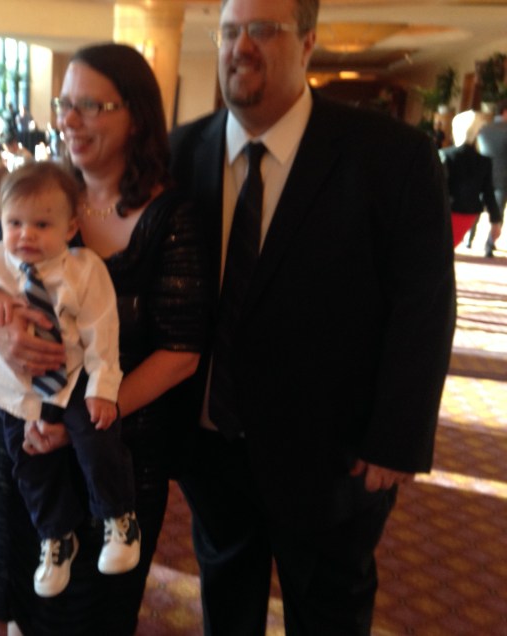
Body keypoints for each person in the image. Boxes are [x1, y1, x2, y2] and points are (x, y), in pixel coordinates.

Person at [168, 0, 457, 634]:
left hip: (332, 459)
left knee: (329, 613)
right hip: (210, 447)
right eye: (229, 31)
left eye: (262, 30)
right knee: (225, 604)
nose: (241, 46)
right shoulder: (180, 153)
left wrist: (397, 437)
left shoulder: (392, 158)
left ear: (307, 44)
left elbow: (423, 307)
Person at [0, 43, 212, 635]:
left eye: (90, 106)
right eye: (64, 105)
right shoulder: (40, 192)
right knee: (21, 590)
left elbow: (181, 354)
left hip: (110, 450)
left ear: (136, 115)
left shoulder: (172, 216)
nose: (69, 120)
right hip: (19, 432)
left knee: (90, 614)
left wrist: (81, 419)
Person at [0, 161, 140, 599]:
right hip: (16, 384)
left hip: (72, 375)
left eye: (42, 225)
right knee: (27, 455)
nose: (26, 235)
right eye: (15, 223)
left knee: (95, 433)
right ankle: (57, 536)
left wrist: (103, 390)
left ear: (70, 228)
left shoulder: (84, 270)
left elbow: (102, 333)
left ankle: (119, 517)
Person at [439, 110, 502, 250]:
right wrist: (495, 221)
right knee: (448, 248)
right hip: (468, 214)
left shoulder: (444, 156)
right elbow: (488, 193)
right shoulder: (484, 161)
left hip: (446, 212)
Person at [476, 98, 507, 257]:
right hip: (503, 176)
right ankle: (489, 244)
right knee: (498, 211)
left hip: (482, 174)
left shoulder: (483, 128)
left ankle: (469, 239)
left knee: (477, 207)